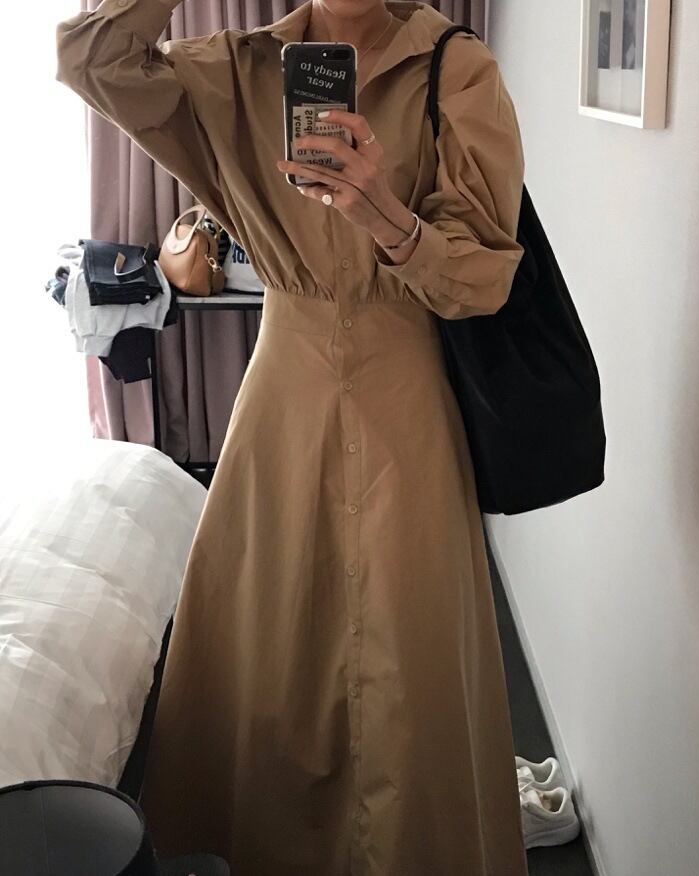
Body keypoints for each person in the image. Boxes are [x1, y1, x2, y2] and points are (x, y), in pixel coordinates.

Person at [56, 1, 529, 873]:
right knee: (269, 644)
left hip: (406, 392)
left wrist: (383, 213)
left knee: (408, 657)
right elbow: (91, 57)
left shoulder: (454, 68)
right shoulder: (239, 69)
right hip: (285, 390)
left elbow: (484, 280)